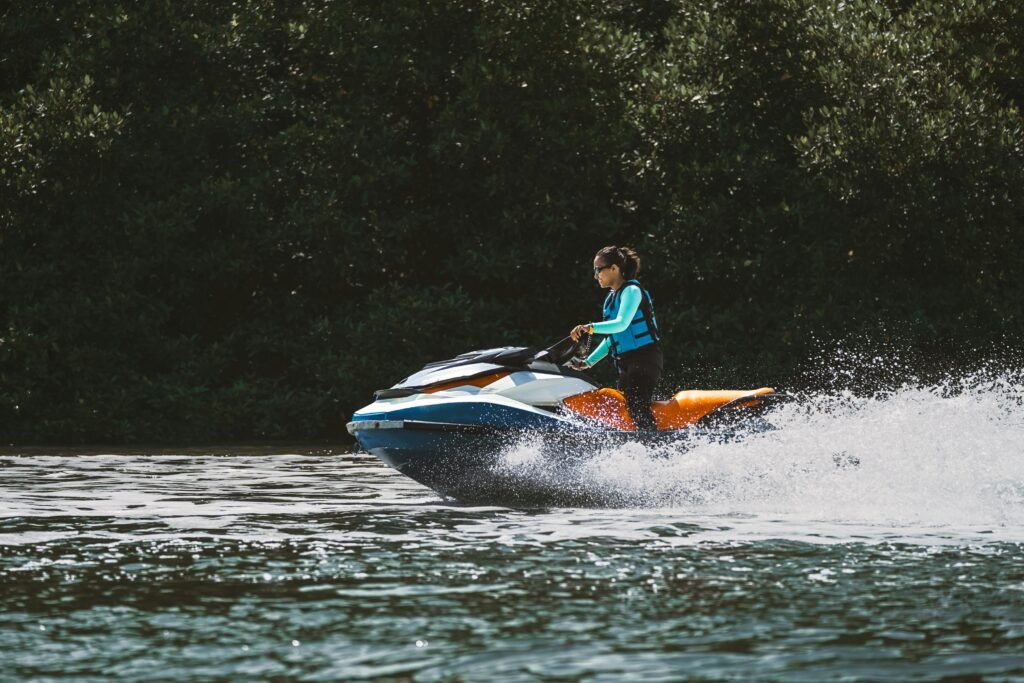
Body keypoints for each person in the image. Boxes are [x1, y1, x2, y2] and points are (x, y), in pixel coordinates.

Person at [570, 246, 664, 432]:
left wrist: (590, 328)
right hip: (625, 363)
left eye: (598, 269)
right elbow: (613, 337)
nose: (596, 275)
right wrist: (588, 362)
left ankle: (654, 448)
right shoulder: (610, 299)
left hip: (644, 358)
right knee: (625, 409)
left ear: (614, 268)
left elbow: (621, 324)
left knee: (637, 406)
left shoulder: (631, 291)